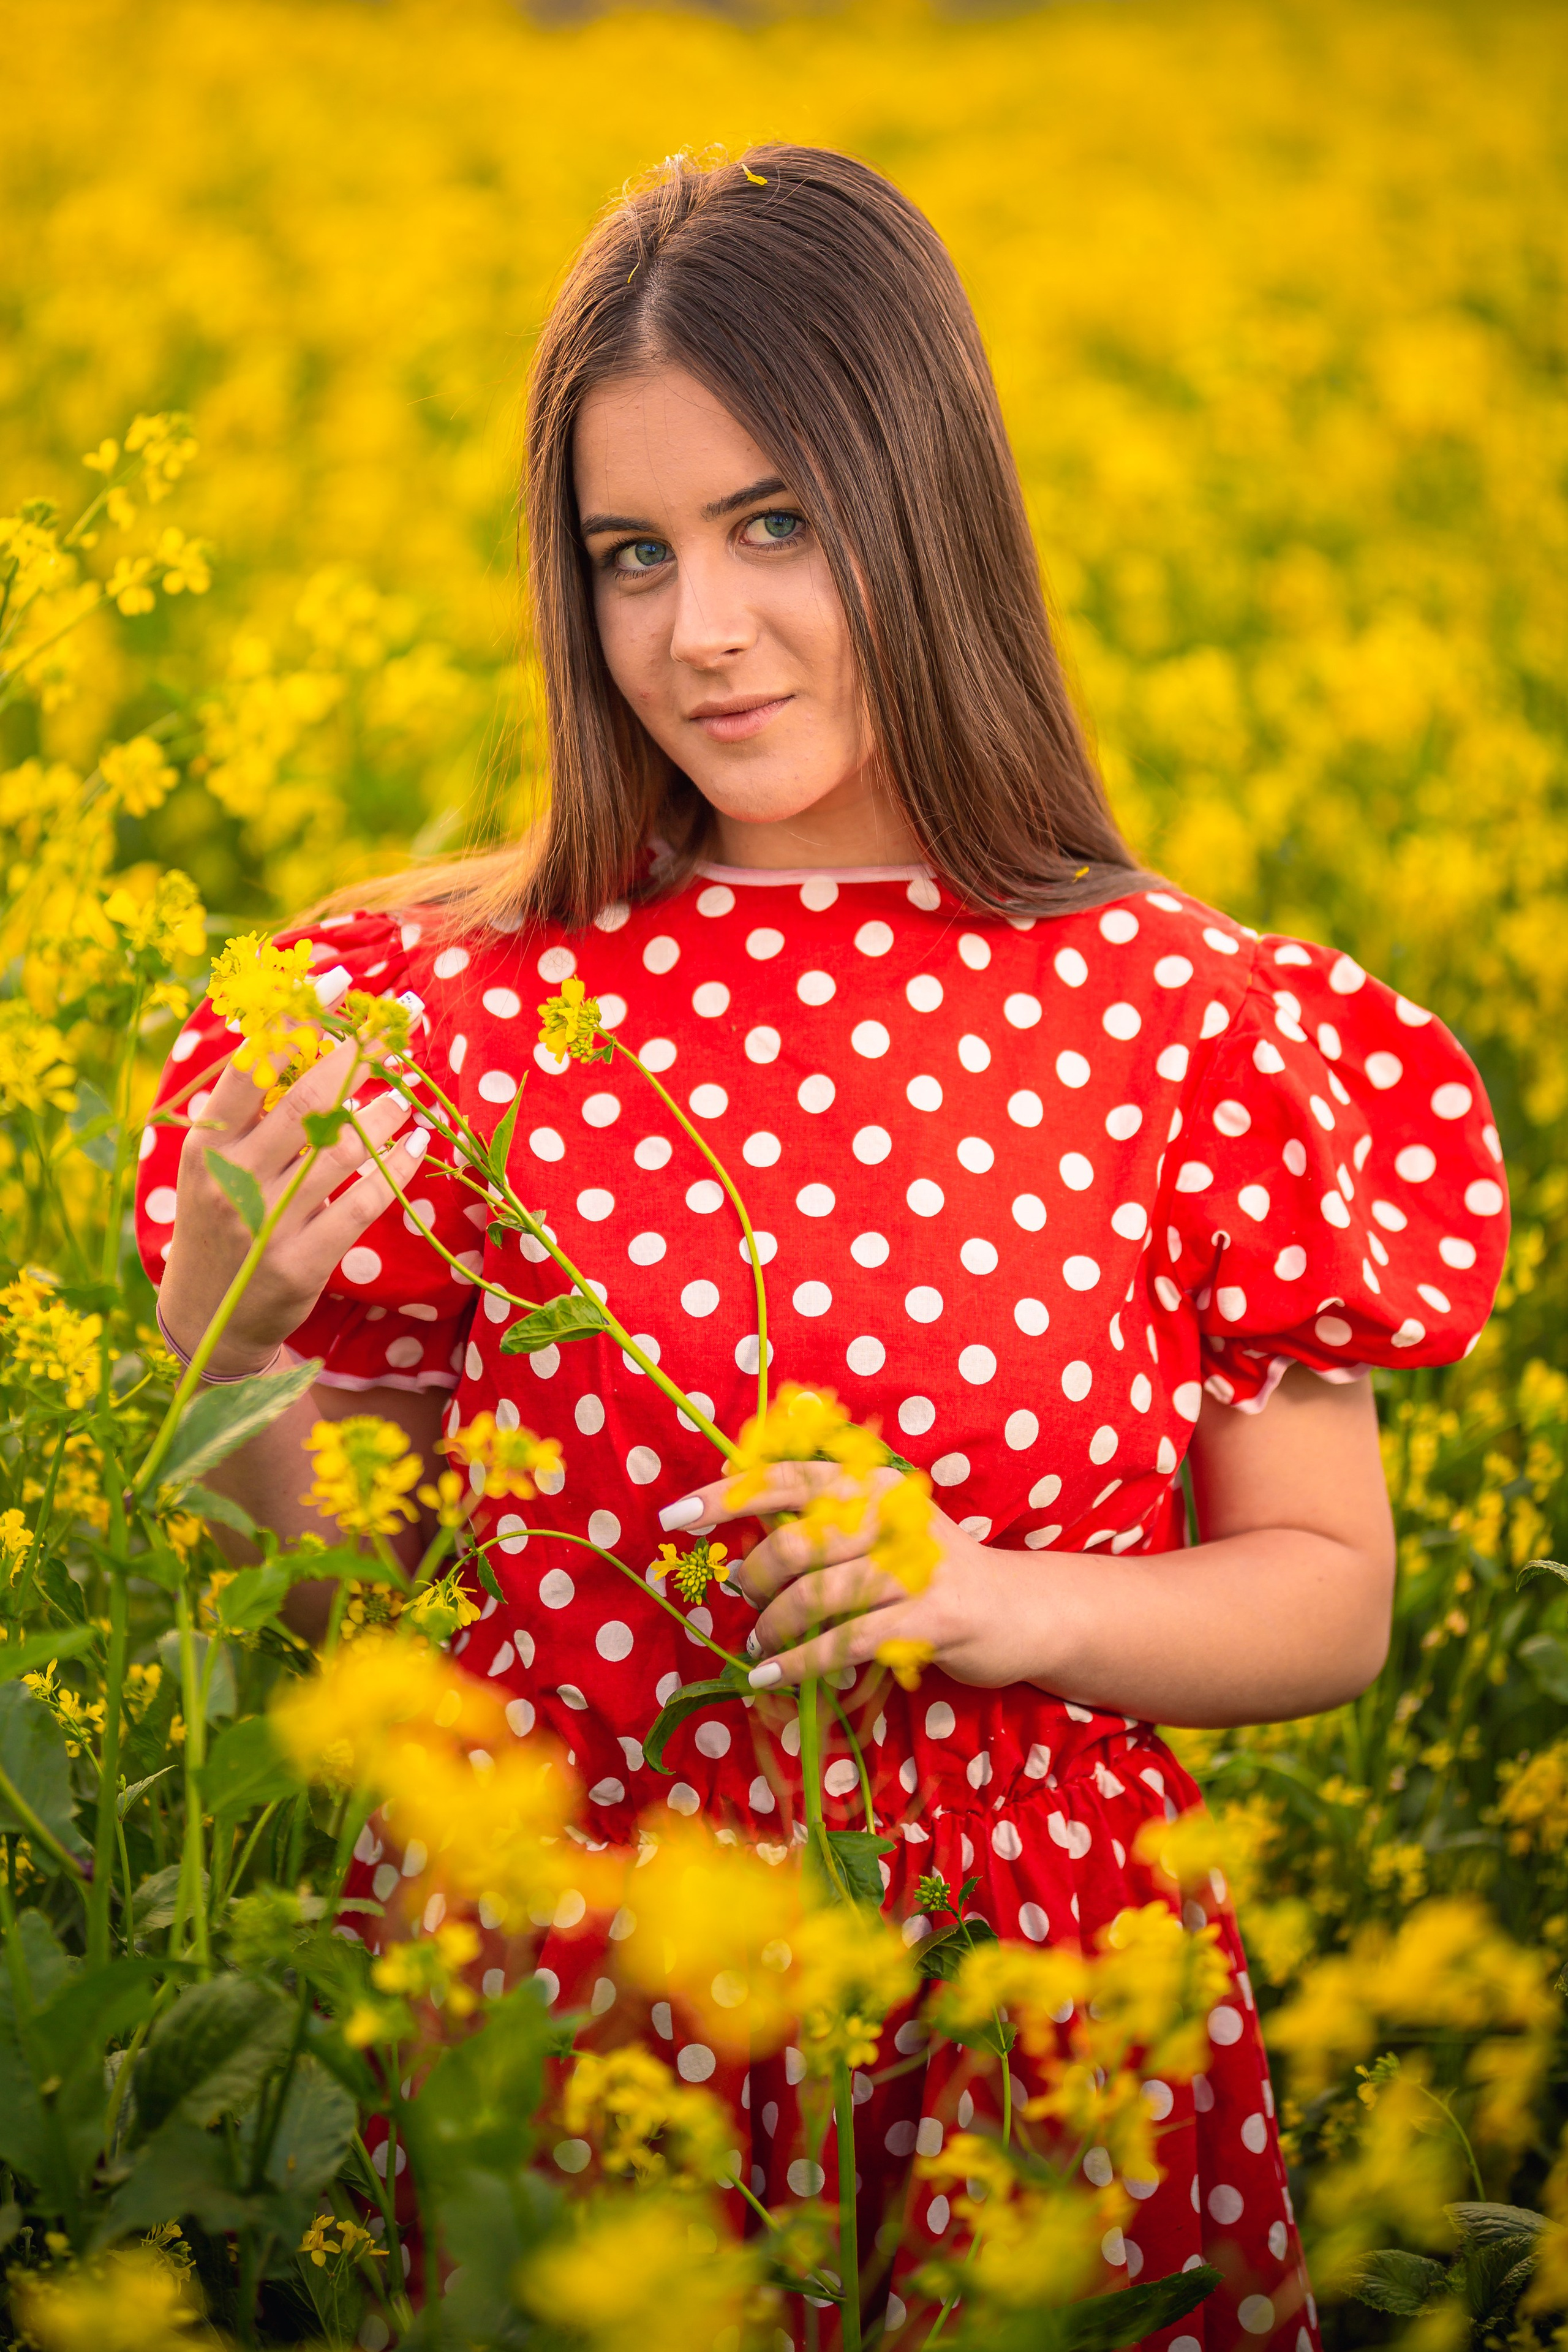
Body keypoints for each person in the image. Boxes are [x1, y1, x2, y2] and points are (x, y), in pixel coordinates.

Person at [136, 146, 1508, 2348]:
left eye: (776, 525)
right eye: (633, 554)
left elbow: (1332, 1595)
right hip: (562, 2033)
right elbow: (345, 1630)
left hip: (1037, 2039)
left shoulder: (1189, 1017)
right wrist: (232, 1340)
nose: (699, 628)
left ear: (925, 507)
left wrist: (993, 1600)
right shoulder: (440, 1013)